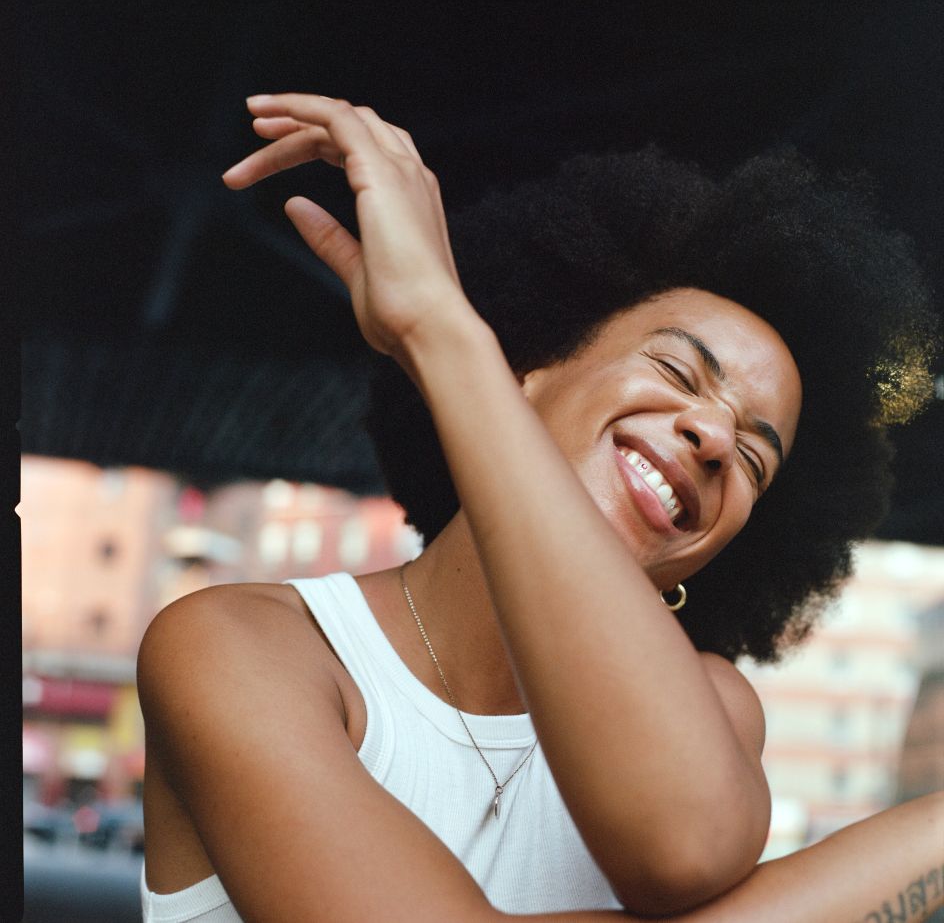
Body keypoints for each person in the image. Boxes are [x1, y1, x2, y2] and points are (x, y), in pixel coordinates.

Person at [137, 93, 942, 922]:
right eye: (676, 372)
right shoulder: (242, 647)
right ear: (526, 367)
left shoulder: (717, 711)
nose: (709, 434)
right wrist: (440, 332)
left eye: (750, 457)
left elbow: (684, 842)